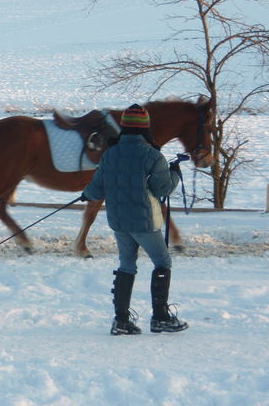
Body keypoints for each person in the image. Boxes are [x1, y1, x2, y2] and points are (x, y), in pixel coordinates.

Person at [80, 103, 189, 335]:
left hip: (119, 221)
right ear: (145, 128)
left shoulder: (110, 153)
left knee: (126, 265)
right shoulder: (152, 155)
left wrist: (85, 194)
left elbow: (96, 189)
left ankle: (121, 321)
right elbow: (162, 188)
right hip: (145, 222)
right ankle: (160, 318)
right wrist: (174, 174)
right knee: (162, 262)